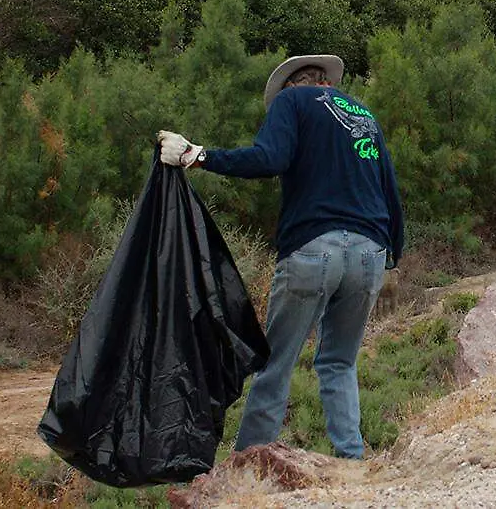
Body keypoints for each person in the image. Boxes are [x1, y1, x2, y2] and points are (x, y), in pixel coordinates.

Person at [157, 54, 404, 457]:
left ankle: (252, 464)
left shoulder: (293, 103)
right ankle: (352, 459)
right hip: (370, 252)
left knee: (276, 365)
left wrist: (200, 156)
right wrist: (392, 252)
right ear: (327, 82)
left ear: (292, 86)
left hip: (313, 248)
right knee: (339, 363)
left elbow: (269, 159)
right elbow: (390, 191)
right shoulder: (365, 117)